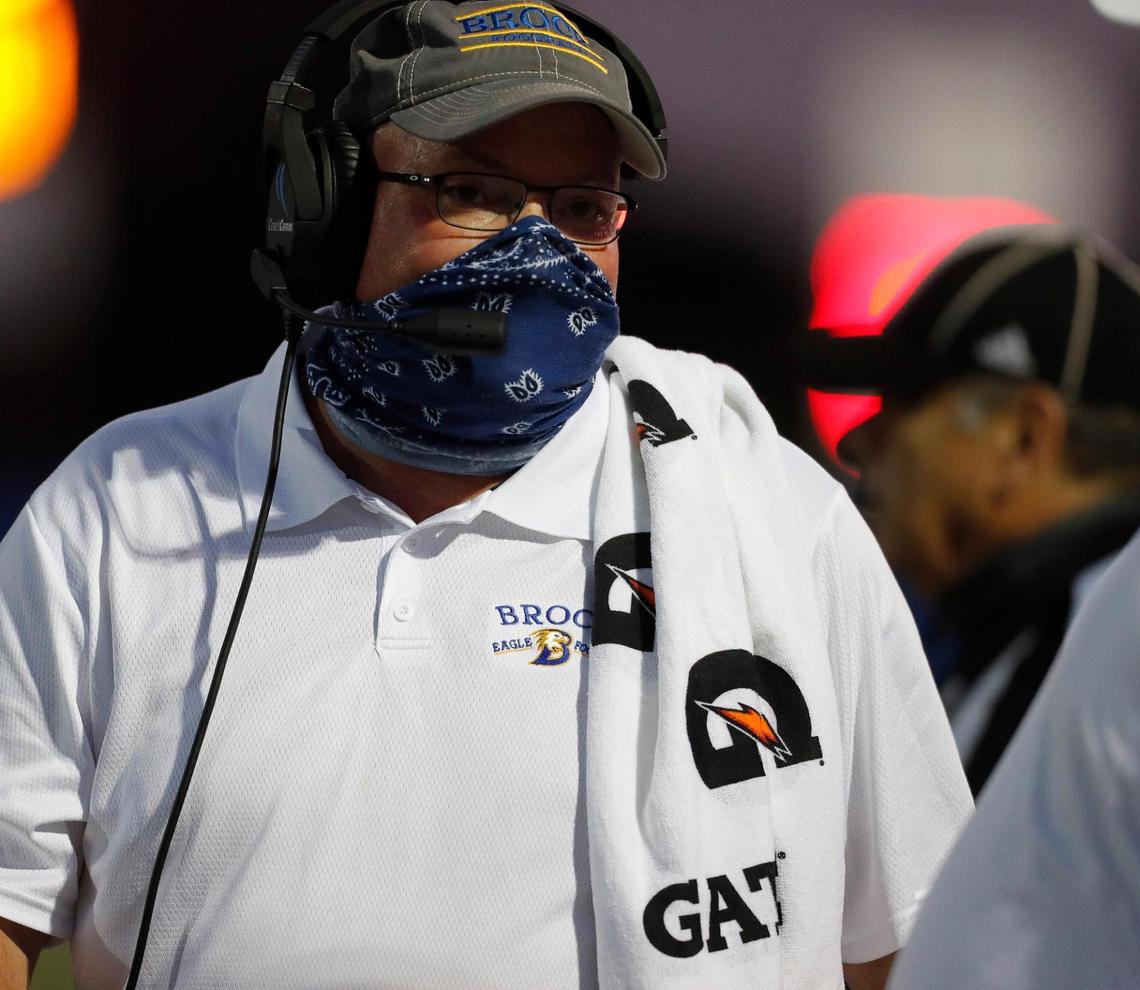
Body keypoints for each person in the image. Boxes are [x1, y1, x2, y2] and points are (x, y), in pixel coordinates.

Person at [0, 4, 971, 988]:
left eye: (585, 210)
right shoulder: (121, 511)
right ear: (326, 214)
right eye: (476, 191)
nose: (538, 255)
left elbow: (913, 941)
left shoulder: (773, 517)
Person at [801, 197, 1140, 794]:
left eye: (903, 401)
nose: (856, 443)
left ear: (1023, 441)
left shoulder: (1106, 653)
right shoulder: (1023, 634)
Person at [887, 526, 1140, 990]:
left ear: (1024, 449)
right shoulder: (1015, 620)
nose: (859, 451)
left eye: (886, 444)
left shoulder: (1082, 609)